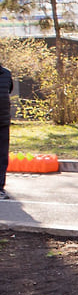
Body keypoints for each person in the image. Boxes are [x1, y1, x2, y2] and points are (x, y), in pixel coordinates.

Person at [0, 61, 12, 200]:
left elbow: (7, 92)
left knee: (2, 157)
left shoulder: (7, 74)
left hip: (3, 122)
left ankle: (0, 188)